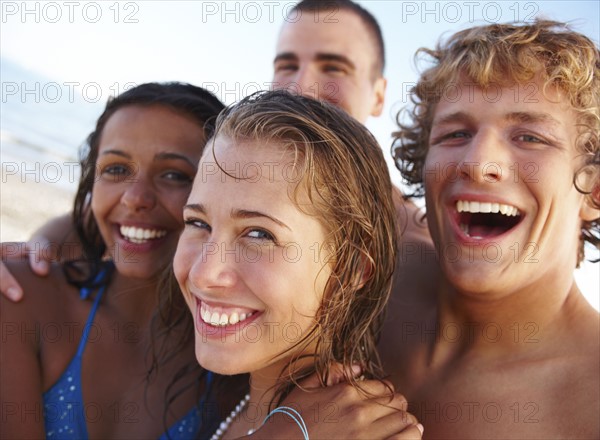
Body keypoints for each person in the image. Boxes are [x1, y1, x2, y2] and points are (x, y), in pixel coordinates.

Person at [1, 0, 437, 304]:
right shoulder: (238, 166)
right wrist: (42, 245)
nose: (303, 84)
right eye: (287, 64)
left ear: (379, 95)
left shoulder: (415, 243)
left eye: (333, 67)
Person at [379, 19, 600, 438]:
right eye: (456, 133)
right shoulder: (385, 270)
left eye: (530, 137)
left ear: (594, 192)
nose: (479, 163)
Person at [173, 89, 423, 439]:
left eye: (259, 234)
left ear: (351, 271)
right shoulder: (230, 398)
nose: (203, 273)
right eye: (199, 223)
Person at [0, 82, 226, 438]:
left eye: (174, 175)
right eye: (116, 169)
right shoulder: (17, 296)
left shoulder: (238, 357)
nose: (135, 197)